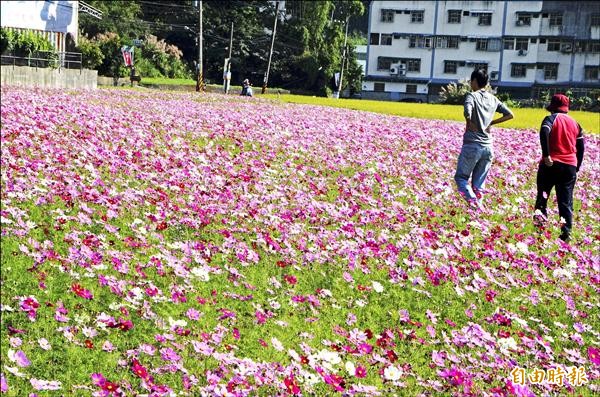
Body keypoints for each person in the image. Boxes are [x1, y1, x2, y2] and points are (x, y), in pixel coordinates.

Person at [454, 69, 514, 209]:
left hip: (472, 145)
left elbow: (467, 110)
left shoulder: (472, 96)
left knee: (461, 178)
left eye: (471, 80)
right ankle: (477, 212)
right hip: (488, 147)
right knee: (479, 184)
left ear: (474, 81)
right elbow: (510, 114)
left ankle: (475, 205)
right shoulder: (493, 99)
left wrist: (469, 122)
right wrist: (491, 123)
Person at [533, 94, 585, 242]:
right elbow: (581, 147)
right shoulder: (575, 123)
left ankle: (539, 231)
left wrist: (546, 155)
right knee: (565, 202)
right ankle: (565, 234)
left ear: (552, 107)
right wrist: (577, 166)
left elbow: (544, 131)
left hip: (551, 165)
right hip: (569, 166)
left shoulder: (551, 119)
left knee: (543, 197)